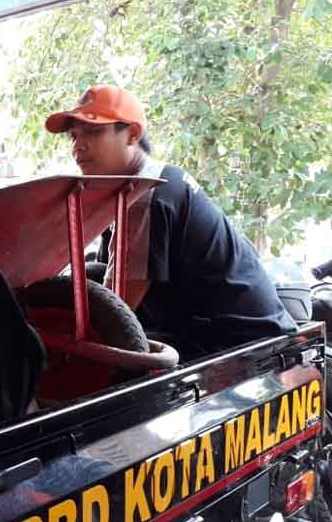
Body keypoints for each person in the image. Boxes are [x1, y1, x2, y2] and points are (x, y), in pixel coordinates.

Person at [44, 84, 296, 357]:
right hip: (217, 330)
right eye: (73, 136)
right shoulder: (137, 188)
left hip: (243, 344)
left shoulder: (148, 194)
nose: (78, 146)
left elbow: (116, 308)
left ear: (132, 134)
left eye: (93, 132)